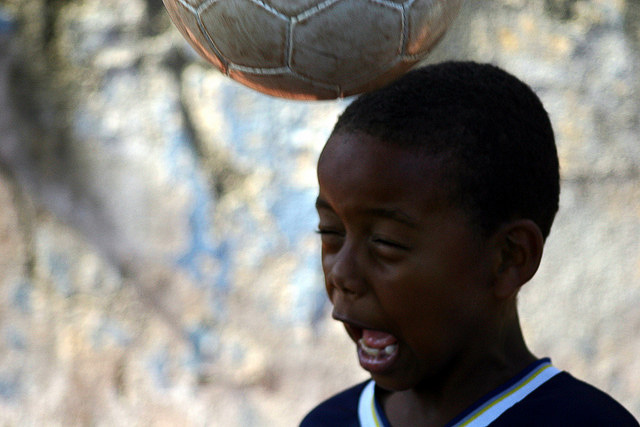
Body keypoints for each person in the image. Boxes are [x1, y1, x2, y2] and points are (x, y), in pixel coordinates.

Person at [300, 62, 638, 426]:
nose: (342, 273)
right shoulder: (328, 421)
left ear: (508, 258)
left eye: (385, 242)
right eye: (331, 233)